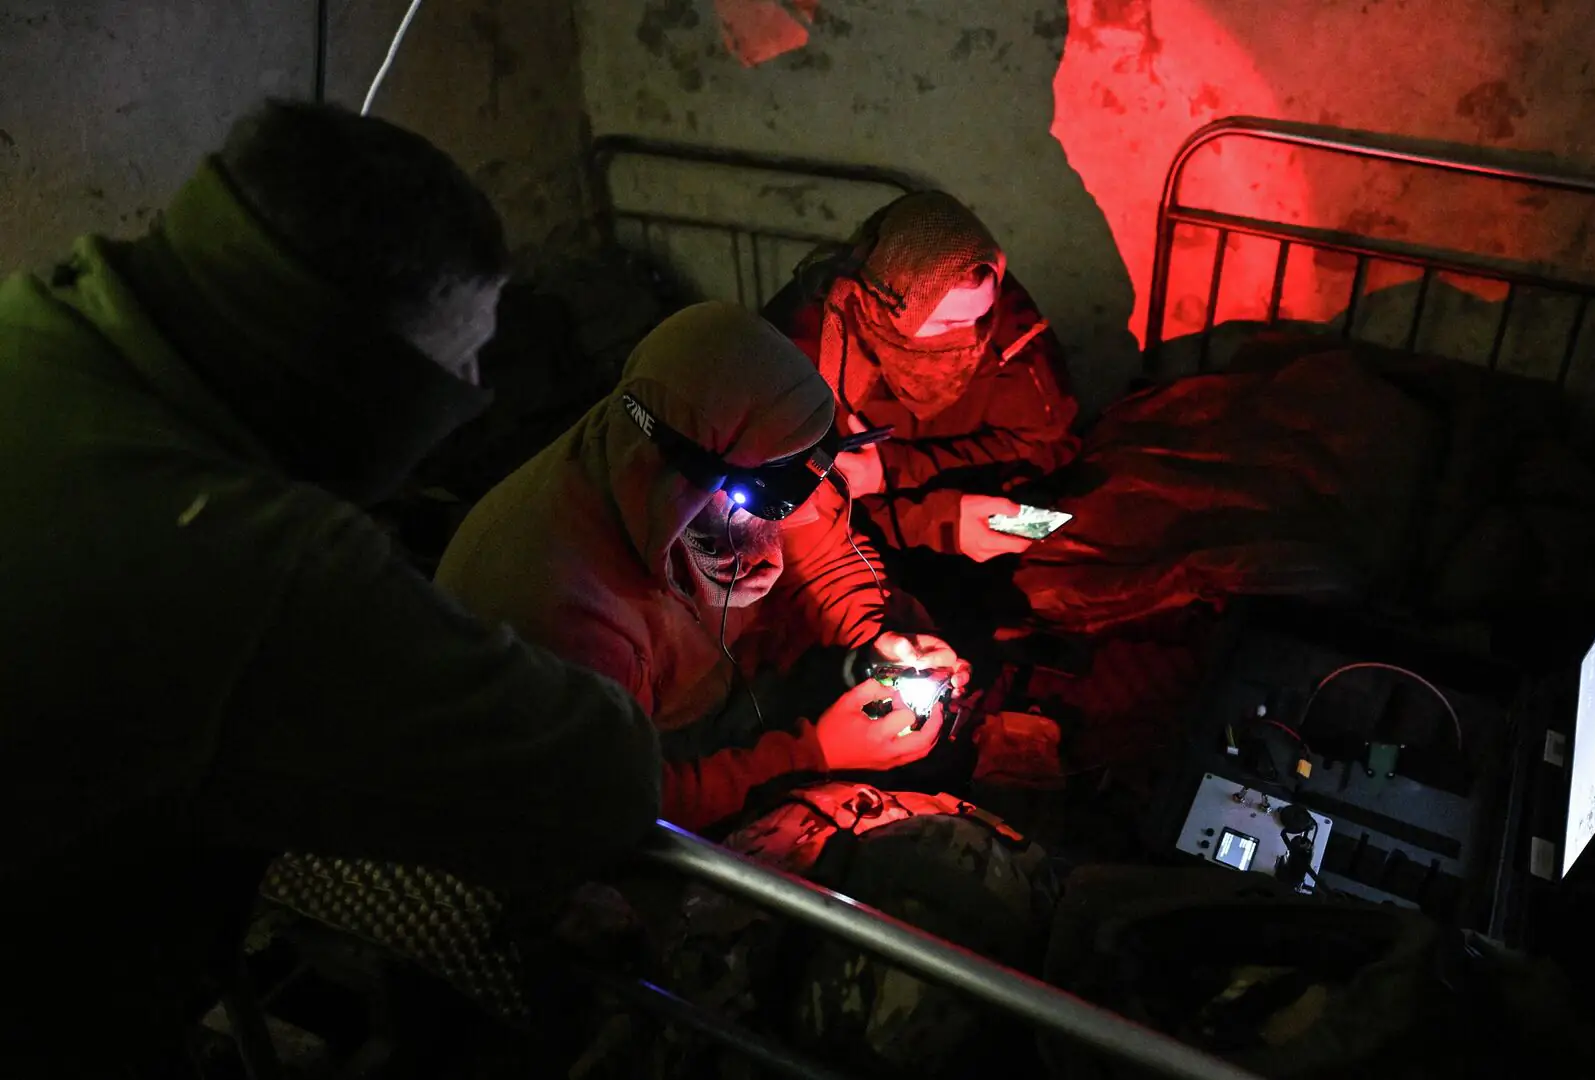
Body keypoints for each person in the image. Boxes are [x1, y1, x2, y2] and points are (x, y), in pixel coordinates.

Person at [0, 101, 670, 1077]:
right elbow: (595, 780)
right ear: (355, 368)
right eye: (458, 364)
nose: (476, 388)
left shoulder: (37, 323)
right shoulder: (248, 557)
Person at [435, 301, 959, 834]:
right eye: (771, 499)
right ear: (684, 484)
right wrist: (814, 753)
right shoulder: (570, 621)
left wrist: (873, 635)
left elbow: (812, 538)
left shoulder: (714, 451)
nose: (790, 514)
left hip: (720, 685)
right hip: (637, 765)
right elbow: (633, 800)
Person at [762, 191, 1081, 566]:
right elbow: (789, 506)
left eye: (982, 317)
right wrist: (935, 521)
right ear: (886, 308)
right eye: (947, 324)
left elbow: (1050, 445)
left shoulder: (1012, 337)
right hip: (864, 541)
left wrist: (896, 471)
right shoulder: (813, 346)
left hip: (975, 528)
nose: (971, 338)